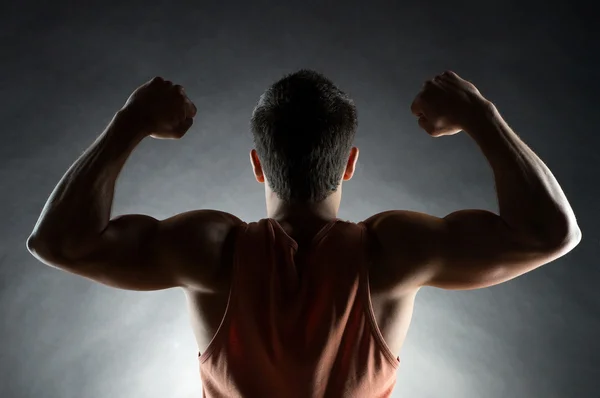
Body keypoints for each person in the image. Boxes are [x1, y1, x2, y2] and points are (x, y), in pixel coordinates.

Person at [26, 70, 581, 397]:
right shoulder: (394, 252)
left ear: (257, 165)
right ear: (350, 164)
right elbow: (551, 234)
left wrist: (132, 121)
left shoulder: (209, 249)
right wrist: (480, 114)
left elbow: (57, 242)